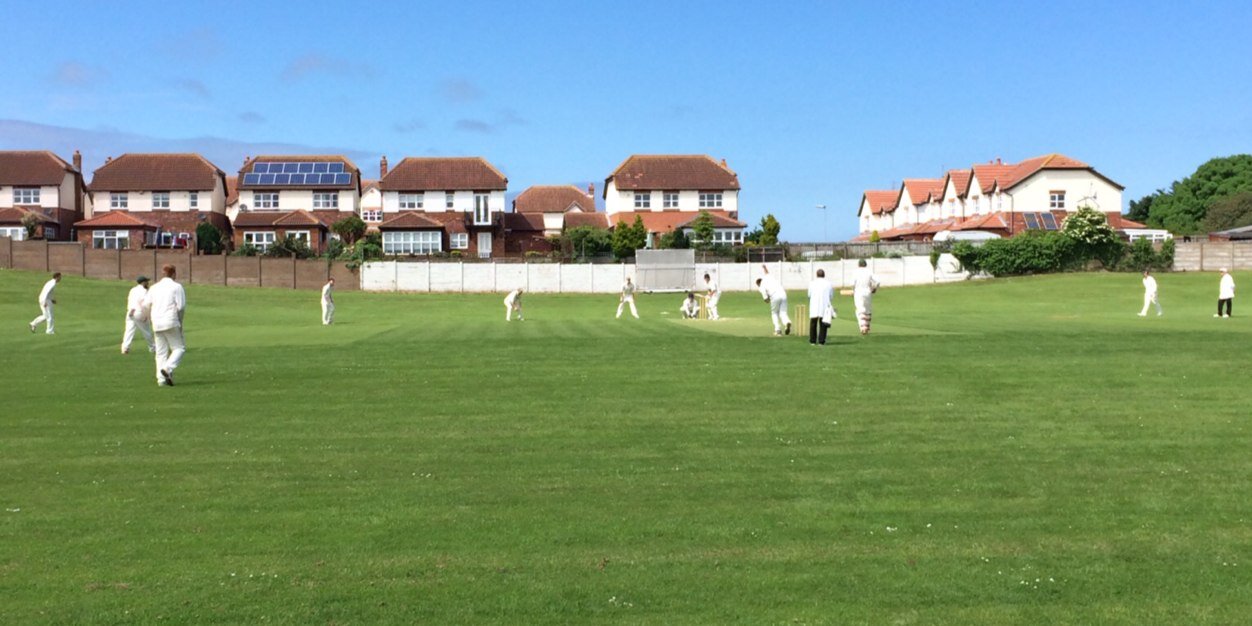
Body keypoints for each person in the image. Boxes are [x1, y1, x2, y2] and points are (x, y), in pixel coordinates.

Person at [144, 264, 187, 387]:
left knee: (161, 352)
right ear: (174, 274)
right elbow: (181, 306)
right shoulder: (177, 287)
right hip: (171, 320)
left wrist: (150, 318)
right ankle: (167, 368)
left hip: (156, 322)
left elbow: (146, 304)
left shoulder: (154, 287)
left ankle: (161, 380)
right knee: (179, 348)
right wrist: (180, 321)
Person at [122, 276, 154, 354]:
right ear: (143, 282)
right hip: (139, 312)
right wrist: (147, 314)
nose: (148, 283)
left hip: (130, 312)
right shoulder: (145, 291)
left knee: (129, 331)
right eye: (146, 281)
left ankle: (125, 348)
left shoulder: (132, 290)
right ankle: (153, 347)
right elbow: (144, 303)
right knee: (146, 331)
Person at [755, 264, 791, 336]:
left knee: (774, 313)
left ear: (758, 284)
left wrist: (768, 299)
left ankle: (777, 330)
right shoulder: (768, 277)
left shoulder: (761, 286)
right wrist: (765, 267)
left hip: (774, 296)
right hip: (783, 293)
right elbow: (766, 272)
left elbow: (766, 300)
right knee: (783, 312)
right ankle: (787, 322)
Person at [852, 259, 880, 336]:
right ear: (865, 264)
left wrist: (852, 290)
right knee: (867, 310)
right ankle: (867, 327)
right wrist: (874, 288)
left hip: (858, 292)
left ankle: (863, 328)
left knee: (860, 310)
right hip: (868, 292)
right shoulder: (869, 271)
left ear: (858, 265)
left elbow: (852, 283)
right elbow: (878, 281)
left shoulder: (855, 272)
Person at [807, 269, 835, 345]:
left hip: (814, 305)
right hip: (825, 305)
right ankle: (821, 341)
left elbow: (809, 295)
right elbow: (831, 295)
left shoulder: (812, 283)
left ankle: (812, 341)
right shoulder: (828, 284)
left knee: (813, 323)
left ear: (817, 275)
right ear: (824, 275)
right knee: (823, 323)